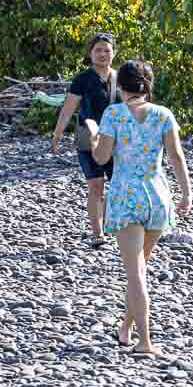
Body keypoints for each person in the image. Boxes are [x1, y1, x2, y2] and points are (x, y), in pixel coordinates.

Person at [88, 60, 191, 357]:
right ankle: (126, 328)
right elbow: (177, 156)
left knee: (135, 274)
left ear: (121, 87)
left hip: (126, 197)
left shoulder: (113, 114)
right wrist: (186, 194)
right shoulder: (163, 114)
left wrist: (94, 137)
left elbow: (101, 157)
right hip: (158, 197)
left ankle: (145, 341)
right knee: (141, 268)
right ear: (147, 85)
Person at [49, 33, 118, 245]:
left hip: (116, 139)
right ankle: (98, 233)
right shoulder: (83, 79)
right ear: (90, 53)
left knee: (117, 185)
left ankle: (108, 223)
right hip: (88, 138)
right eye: (98, 50)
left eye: (107, 50)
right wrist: (58, 133)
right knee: (95, 185)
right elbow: (69, 108)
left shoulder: (120, 78)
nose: (103, 54)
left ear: (113, 53)